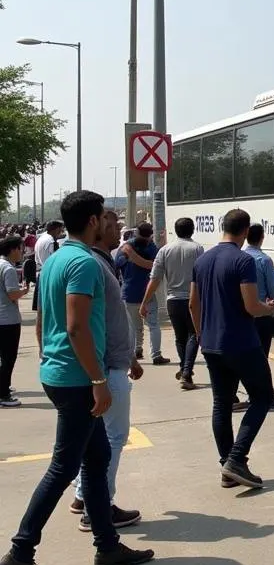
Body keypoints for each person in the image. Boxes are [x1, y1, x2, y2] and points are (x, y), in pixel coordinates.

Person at [0, 191, 153, 565]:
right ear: (91, 222)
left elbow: (46, 320)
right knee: (63, 467)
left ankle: (107, 546)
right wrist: (98, 381)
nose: (110, 221)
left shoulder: (54, 261)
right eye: (105, 216)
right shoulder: (83, 263)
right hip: (78, 379)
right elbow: (76, 326)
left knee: (97, 456)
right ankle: (20, 551)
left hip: (61, 372)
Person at [189, 209, 274, 490]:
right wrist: (269, 309)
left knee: (221, 404)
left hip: (212, 344)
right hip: (242, 342)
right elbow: (251, 306)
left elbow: (193, 304)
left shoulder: (202, 260)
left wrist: (202, 334)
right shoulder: (243, 261)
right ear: (244, 232)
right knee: (262, 398)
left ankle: (226, 467)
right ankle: (237, 458)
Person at [68, 209, 145, 530]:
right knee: (114, 438)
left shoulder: (96, 262)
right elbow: (88, 325)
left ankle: (83, 495)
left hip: (111, 363)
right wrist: (108, 370)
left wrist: (131, 357)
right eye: (111, 226)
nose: (118, 231)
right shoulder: (93, 264)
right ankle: (100, 507)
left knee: (96, 441)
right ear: (95, 227)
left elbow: (110, 320)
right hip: (107, 369)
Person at [140, 217, 204, 390]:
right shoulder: (197, 248)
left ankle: (185, 371)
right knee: (194, 334)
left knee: (180, 337)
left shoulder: (164, 250)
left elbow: (155, 279)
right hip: (193, 299)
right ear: (192, 230)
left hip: (172, 300)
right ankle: (186, 372)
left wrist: (144, 301)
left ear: (175, 231)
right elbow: (203, 276)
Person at [242, 223, 274, 409]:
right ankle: (266, 396)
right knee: (261, 357)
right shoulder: (264, 260)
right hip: (260, 314)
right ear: (262, 237)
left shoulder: (240, 257)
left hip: (242, 315)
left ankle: (248, 394)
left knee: (244, 356)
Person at [116, 222, 170, 366]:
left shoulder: (126, 248)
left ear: (136, 233)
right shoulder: (152, 248)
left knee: (133, 326)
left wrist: (132, 257)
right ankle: (155, 354)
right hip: (147, 293)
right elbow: (155, 266)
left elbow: (118, 266)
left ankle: (136, 351)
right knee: (153, 325)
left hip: (129, 293)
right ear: (150, 235)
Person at [0, 235, 31, 407]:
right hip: (8, 320)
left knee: (3, 358)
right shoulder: (9, 269)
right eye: (20, 249)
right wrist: (24, 291)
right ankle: (3, 394)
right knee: (8, 358)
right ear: (12, 250)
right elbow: (12, 294)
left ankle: (2, 387)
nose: (22, 252)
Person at [31, 219, 63, 312]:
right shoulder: (51, 241)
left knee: (42, 308)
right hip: (49, 275)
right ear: (56, 229)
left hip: (41, 272)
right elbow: (55, 260)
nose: (61, 233)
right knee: (50, 308)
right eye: (60, 230)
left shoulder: (41, 238)